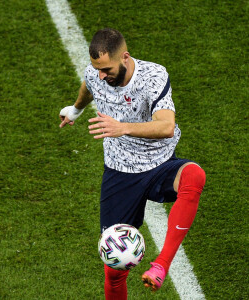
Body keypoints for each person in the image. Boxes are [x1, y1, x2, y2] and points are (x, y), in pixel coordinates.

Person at [59, 28, 206, 300]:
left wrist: (122, 127)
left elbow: (166, 126)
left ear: (125, 57)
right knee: (113, 267)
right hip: (120, 172)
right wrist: (76, 110)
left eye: (107, 69)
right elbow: (89, 85)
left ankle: (161, 265)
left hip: (160, 164)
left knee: (194, 176)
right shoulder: (97, 74)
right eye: (98, 69)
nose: (102, 75)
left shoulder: (153, 76)